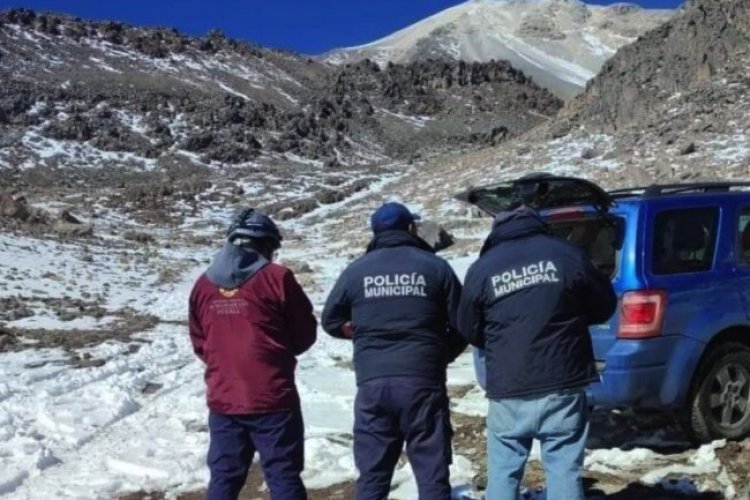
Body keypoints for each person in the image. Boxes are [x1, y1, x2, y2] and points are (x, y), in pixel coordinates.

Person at [457, 206, 616, 500]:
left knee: (504, 469)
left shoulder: (483, 267)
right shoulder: (567, 254)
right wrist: (573, 317)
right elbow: (604, 304)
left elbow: (468, 327)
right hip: (563, 380)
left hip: (509, 384)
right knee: (563, 468)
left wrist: (500, 340)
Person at [321, 202, 466, 500]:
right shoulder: (435, 266)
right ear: (411, 228)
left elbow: (331, 321)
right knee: (432, 472)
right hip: (423, 380)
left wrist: (359, 333)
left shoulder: (356, 270)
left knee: (373, 473)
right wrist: (441, 353)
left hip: (373, 383)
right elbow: (464, 322)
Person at [189, 208, 317, 500]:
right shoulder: (277, 278)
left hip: (224, 397)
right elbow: (305, 332)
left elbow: (200, 342)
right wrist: (276, 353)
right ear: (266, 244)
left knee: (224, 478)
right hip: (273, 395)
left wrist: (224, 363)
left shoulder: (203, 284)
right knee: (283, 475)